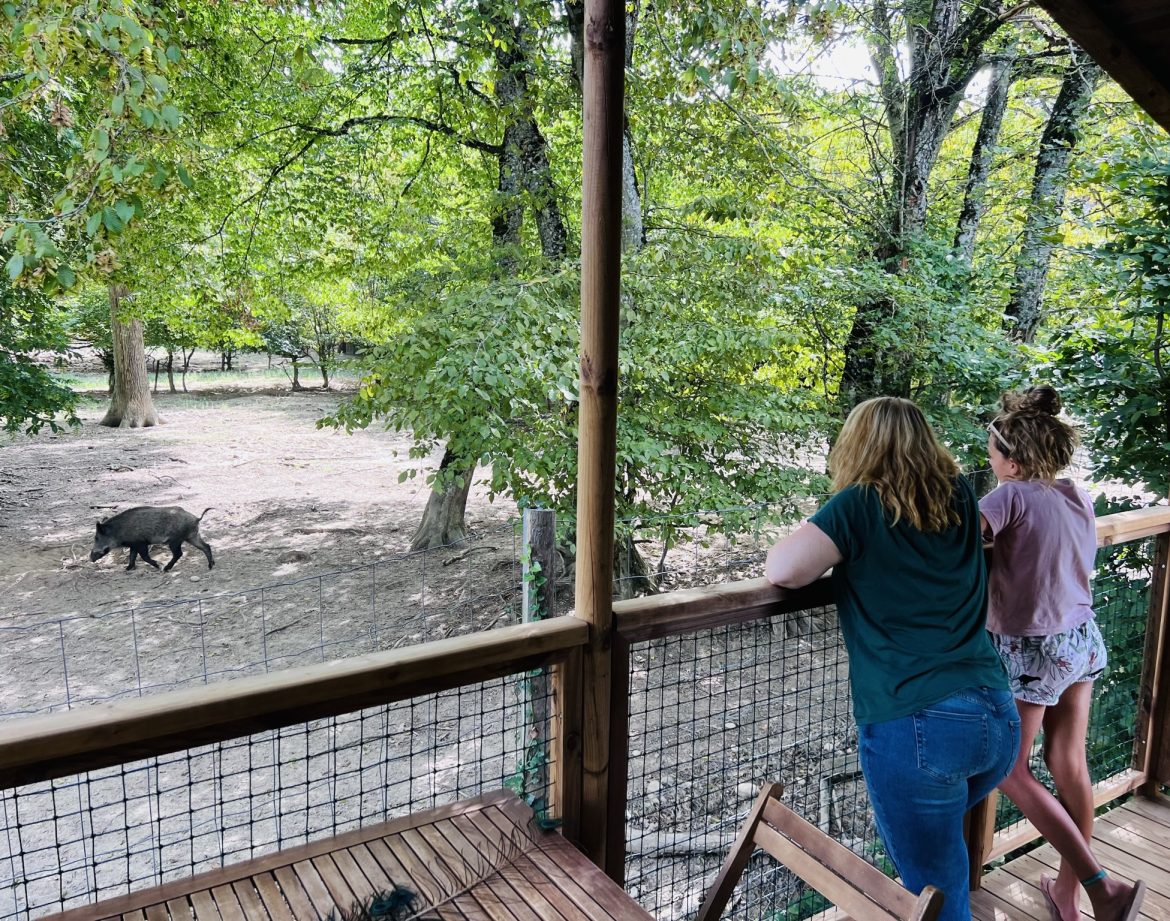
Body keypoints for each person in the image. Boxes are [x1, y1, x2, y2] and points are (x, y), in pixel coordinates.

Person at [766, 397, 1019, 921]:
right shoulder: (957, 496)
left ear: (857, 445)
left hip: (917, 727)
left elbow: (784, 569)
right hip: (995, 716)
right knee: (943, 856)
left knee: (937, 893)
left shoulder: (858, 504)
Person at [982, 386, 1146, 921]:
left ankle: (1102, 887)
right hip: (1079, 638)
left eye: (992, 452)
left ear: (1012, 459)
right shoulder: (1075, 494)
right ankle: (1067, 895)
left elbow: (953, 540)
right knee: (1069, 765)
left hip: (1033, 648)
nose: (990, 460)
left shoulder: (1007, 496)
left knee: (1010, 768)